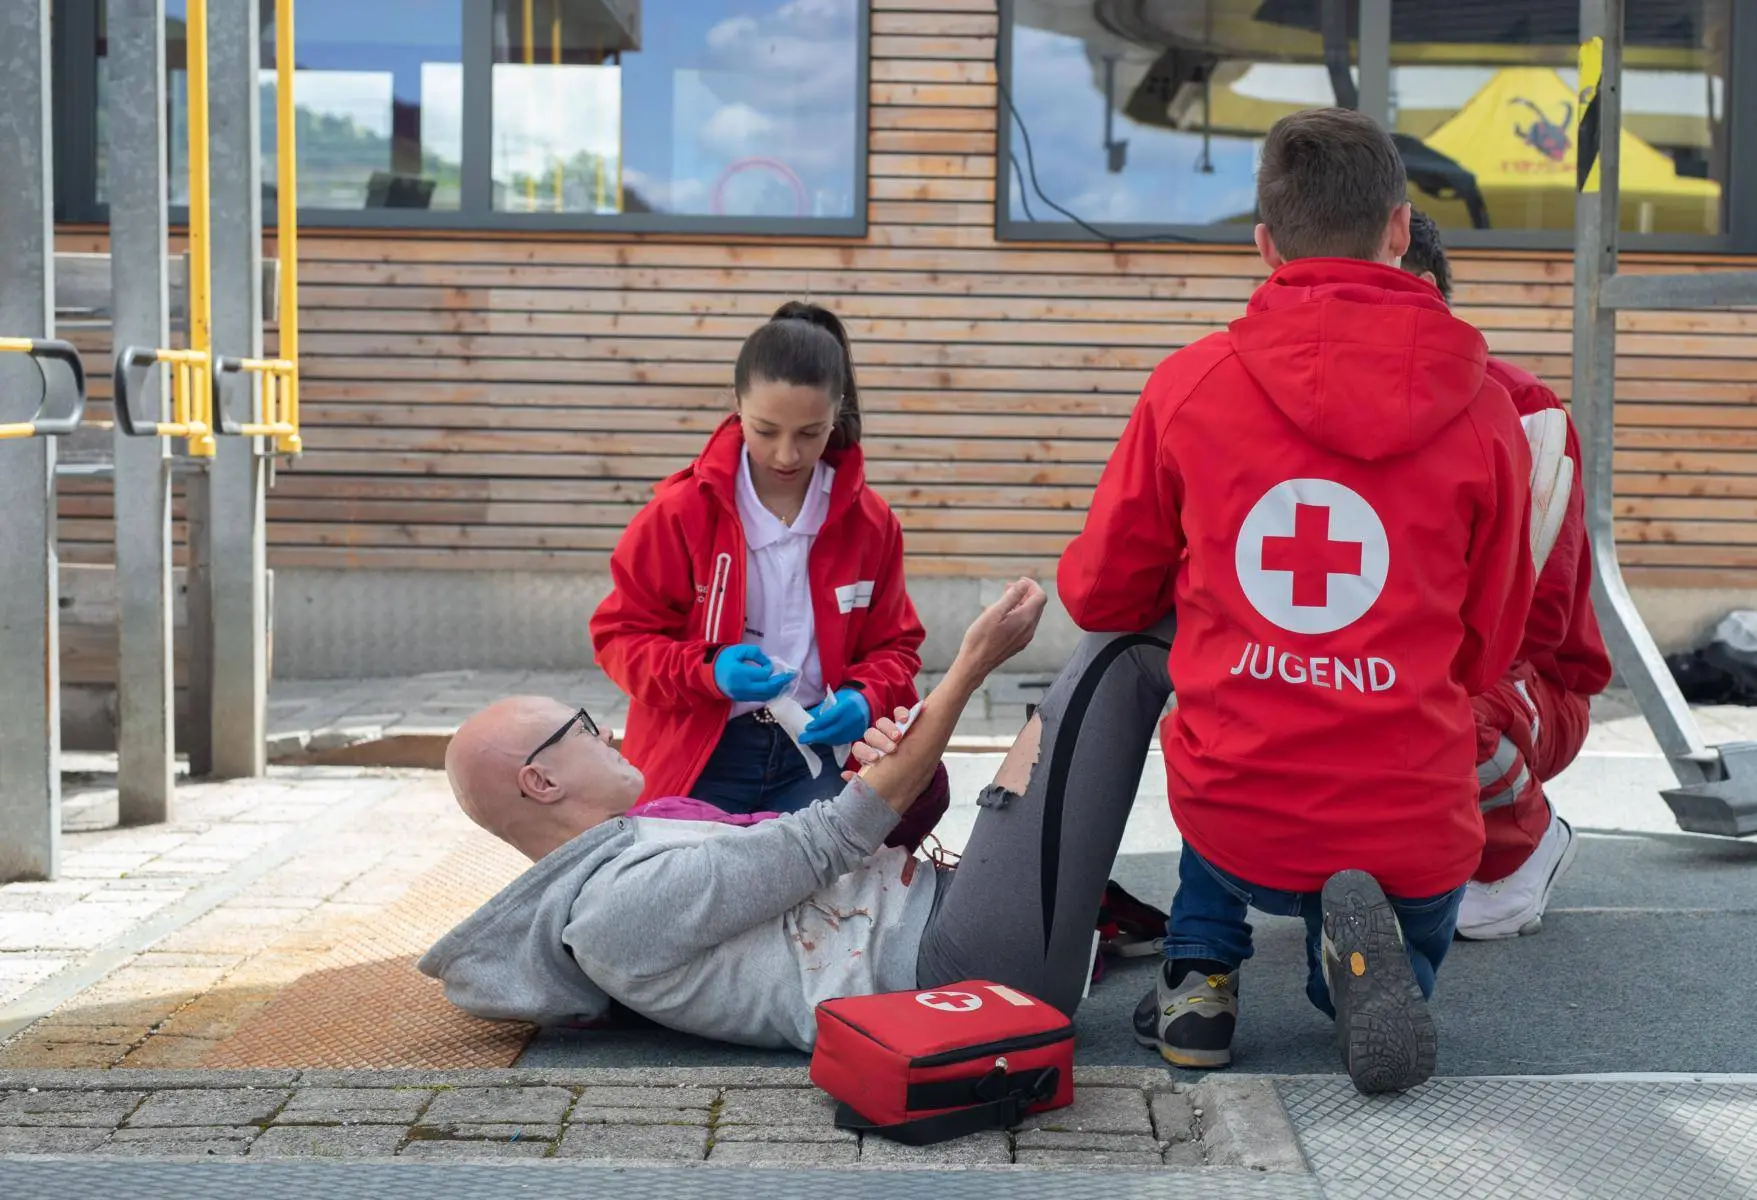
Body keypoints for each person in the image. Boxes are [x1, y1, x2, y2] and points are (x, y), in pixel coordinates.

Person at [1056, 109, 1536, 1093]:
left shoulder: (1190, 387)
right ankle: (1357, 966)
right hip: (1415, 820)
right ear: (1399, 231)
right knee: (1393, 883)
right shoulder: (1489, 410)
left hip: (1240, 811)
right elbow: (1487, 652)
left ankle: (1199, 981)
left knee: (1212, 710)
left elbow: (1098, 590)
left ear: (1264, 246)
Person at [422, 581, 1196, 1050]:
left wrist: (890, 770)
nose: (611, 731)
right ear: (541, 781)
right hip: (963, 972)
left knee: (1114, 659)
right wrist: (970, 666)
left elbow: (866, 834)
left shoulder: (647, 833)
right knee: (1117, 652)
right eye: (584, 728)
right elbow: (834, 834)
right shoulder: (608, 911)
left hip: (956, 927)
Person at [590, 302, 925, 817]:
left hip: (816, 753)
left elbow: (895, 648)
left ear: (837, 413)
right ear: (737, 407)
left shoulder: (871, 523)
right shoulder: (680, 514)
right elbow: (620, 639)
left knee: (846, 863)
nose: (787, 455)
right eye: (766, 430)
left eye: (810, 433)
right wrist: (709, 669)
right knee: (689, 877)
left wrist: (864, 698)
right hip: (698, 754)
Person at [1399, 209, 1614, 940]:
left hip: (1527, 681)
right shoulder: (1327, 401)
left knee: (1436, 704)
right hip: (1399, 664)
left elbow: (1539, 621)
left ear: (1420, 289)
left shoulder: (1521, 410)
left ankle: (1523, 843)